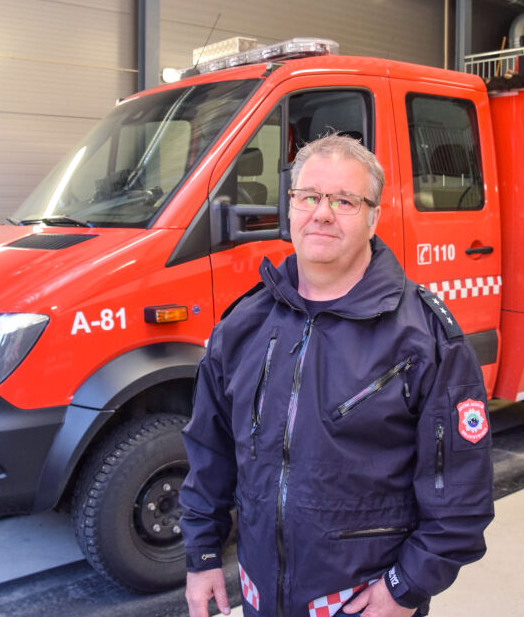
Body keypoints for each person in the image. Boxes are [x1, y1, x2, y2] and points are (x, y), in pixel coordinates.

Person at [180, 134, 494, 617]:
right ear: (291, 209)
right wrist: (201, 557)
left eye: (344, 200)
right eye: (309, 196)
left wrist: (406, 587)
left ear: (373, 218)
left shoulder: (424, 338)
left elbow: (460, 493)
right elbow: (210, 451)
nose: (321, 213)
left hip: (362, 604)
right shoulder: (243, 325)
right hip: (264, 597)